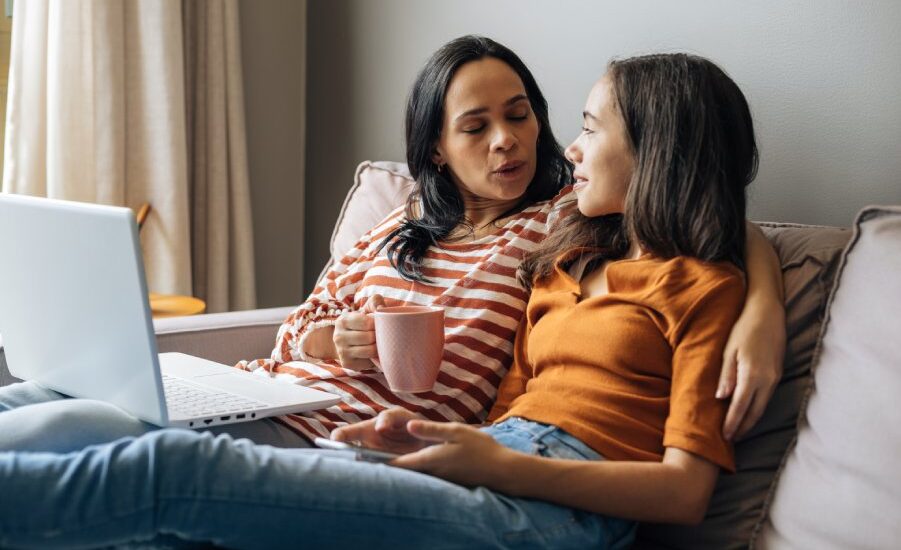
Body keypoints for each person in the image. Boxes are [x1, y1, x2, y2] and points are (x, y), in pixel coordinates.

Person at [3, 52, 768, 549]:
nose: (541, 144)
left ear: (654, 150)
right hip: (426, 443)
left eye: (556, 122)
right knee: (75, 411)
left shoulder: (596, 238)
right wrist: (424, 436)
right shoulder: (562, 263)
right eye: (474, 126)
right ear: (436, 146)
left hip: (546, 505)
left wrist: (756, 299)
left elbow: (682, 489)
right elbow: (505, 414)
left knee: (164, 469)